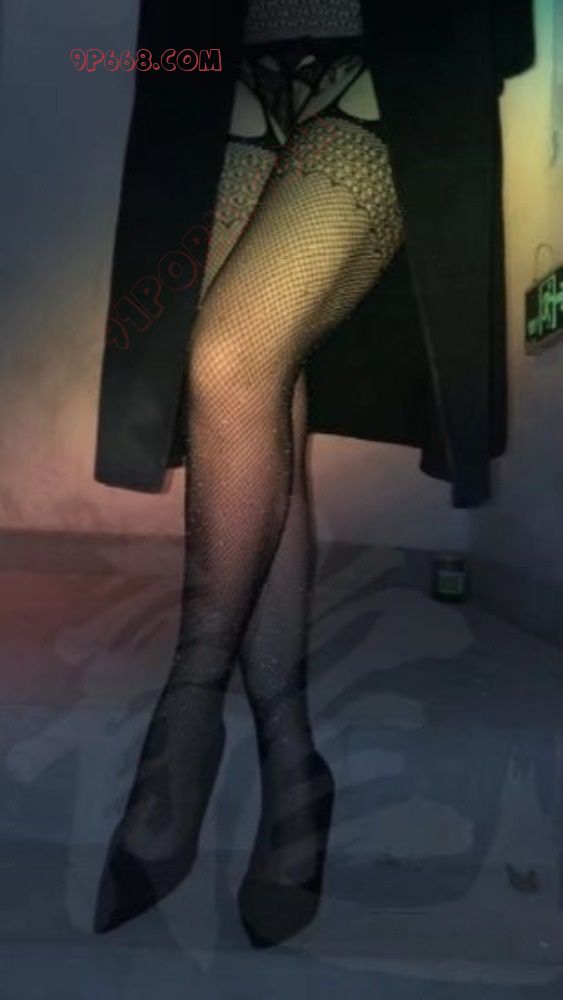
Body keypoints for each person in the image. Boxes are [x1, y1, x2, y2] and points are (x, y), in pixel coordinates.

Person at [94, 0, 403, 947]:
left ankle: (186, 716)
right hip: (222, 67)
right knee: (255, 395)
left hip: (380, 60)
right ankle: (291, 754)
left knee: (229, 357)